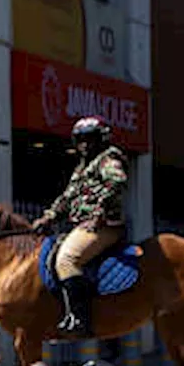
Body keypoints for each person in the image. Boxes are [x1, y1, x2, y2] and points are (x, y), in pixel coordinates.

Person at [31, 115, 129, 337]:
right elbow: (66, 198)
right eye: (81, 140)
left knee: (67, 259)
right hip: (82, 225)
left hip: (104, 225)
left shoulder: (107, 160)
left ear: (101, 139)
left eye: (90, 139)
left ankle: (80, 318)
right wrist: (48, 217)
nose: (85, 145)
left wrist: (99, 209)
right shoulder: (81, 170)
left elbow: (118, 182)